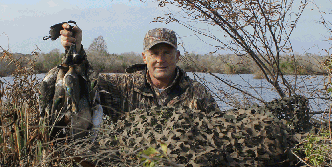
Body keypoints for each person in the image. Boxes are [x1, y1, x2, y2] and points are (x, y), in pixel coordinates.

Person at [39, 23, 219, 135]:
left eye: (167, 53)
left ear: (177, 56)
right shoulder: (125, 85)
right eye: (154, 53)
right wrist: (75, 48)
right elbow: (86, 79)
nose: (160, 59)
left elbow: (219, 129)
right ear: (144, 57)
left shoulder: (196, 93)